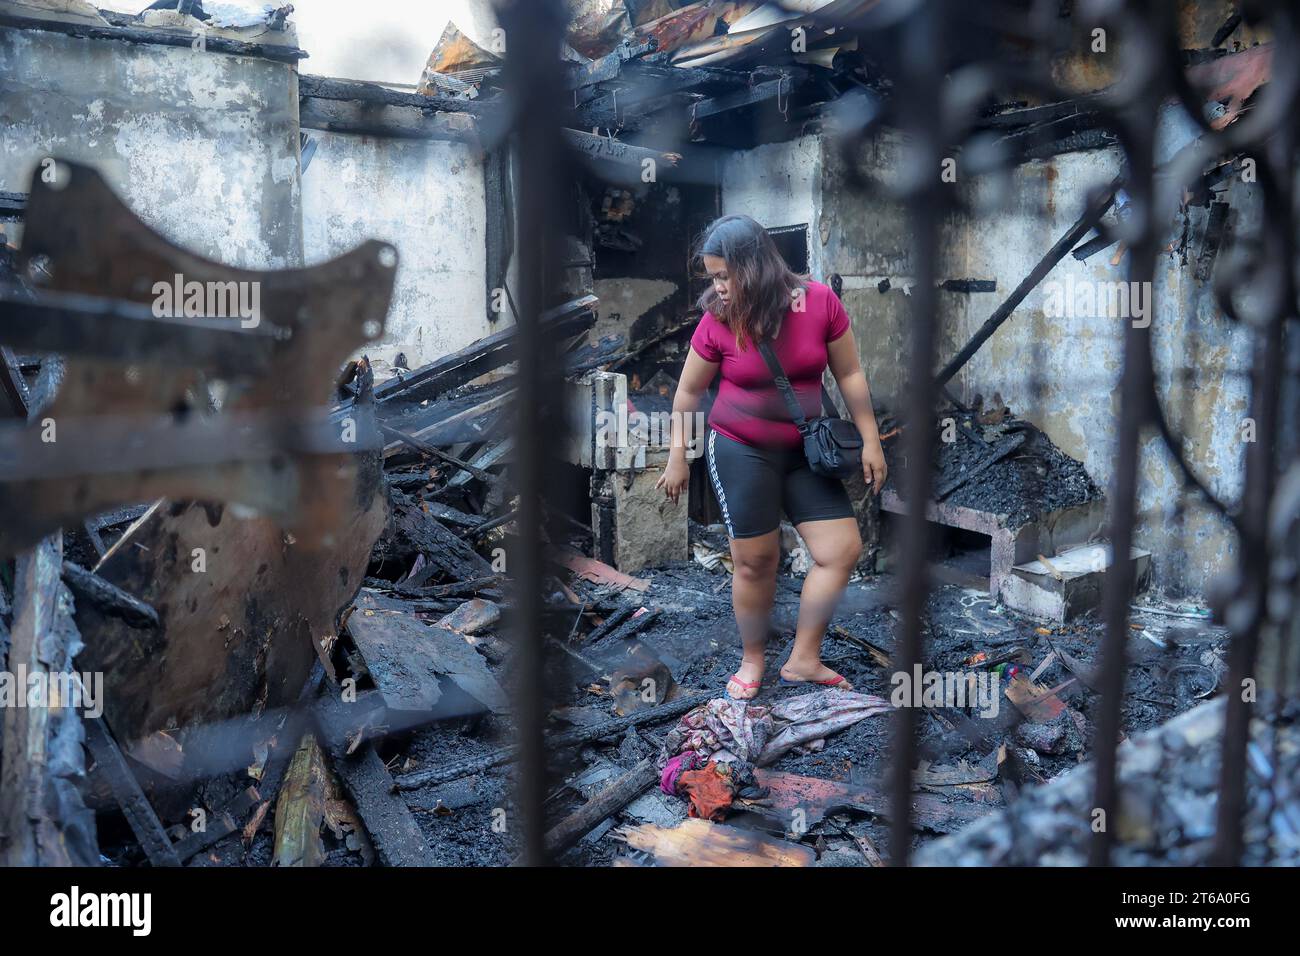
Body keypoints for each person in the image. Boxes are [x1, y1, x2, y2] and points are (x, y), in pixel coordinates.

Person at [655, 214, 887, 700]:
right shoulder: (718, 319)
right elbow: (687, 393)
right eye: (712, 277)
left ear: (755, 267)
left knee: (840, 550)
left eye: (724, 276)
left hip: (805, 450)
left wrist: (870, 439)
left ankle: (804, 659)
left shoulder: (819, 302)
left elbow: (850, 375)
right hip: (741, 450)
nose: (717, 287)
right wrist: (678, 456)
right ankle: (753, 658)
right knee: (756, 561)